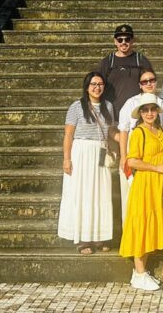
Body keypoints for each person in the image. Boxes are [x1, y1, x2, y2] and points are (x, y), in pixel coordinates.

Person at [58, 71, 118, 254]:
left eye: (100, 84)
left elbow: (111, 132)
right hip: (81, 153)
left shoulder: (108, 106)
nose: (97, 87)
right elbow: (68, 135)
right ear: (86, 87)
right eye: (93, 84)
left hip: (100, 152)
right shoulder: (76, 107)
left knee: (101, 193)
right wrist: (66, 159)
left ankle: (99, 236)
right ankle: (84, 240)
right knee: (83, 195)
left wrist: (121, 144)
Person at [119, 94, 163, 291]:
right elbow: (131, 161)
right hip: (145, 182)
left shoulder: (159, 130)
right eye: (145, 110)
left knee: (152, 223)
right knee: (142, 224)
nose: (149, 113)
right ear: (140, 113)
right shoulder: (139, 132)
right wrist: (156, 168)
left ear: (157, 111)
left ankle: (141, 271)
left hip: (158, 184)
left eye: (152, 109)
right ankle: (139, 272)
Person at [117, 69, 163, 222]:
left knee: (156, 204)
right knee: (132, 201)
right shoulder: (131, 103)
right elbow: (123, 130)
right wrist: (123, 157)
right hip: (135, 156)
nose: (149, 83)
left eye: (152, 80)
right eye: (145, 81)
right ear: (140, 85)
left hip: (158, 160)